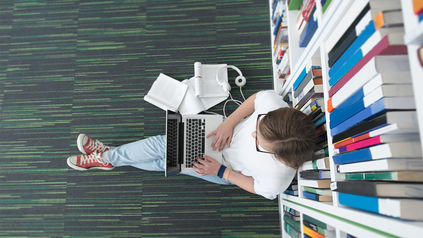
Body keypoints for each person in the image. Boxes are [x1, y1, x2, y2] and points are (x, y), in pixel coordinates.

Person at [67, 90, 317, 199]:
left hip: (221, 167)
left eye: (259, 142)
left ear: (277, 155)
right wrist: (229, 123)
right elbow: (255, 100)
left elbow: (255, 186)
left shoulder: (278, 177)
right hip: (218, 132)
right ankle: (110, 158)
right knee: (161, 146)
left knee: (165, 159)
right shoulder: (275, 107)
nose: (253, 135)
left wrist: (220, 172)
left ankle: (107, 157)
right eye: (258, 127)